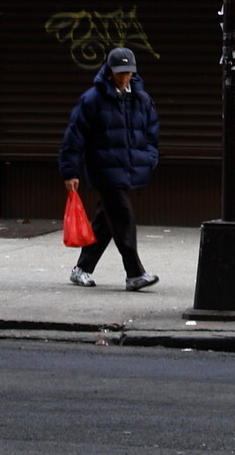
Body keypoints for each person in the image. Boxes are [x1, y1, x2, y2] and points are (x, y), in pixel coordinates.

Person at [58, 46, 161, 290]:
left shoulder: (141, 99)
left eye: (128, 72)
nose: (124, 77)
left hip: (127, 167)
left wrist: (148, 158)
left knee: (106, 221)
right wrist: (70, 171)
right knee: (123, 217)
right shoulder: (92, 99)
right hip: (103, 169)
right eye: (120, 72)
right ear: (109, 72)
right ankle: (135, 273)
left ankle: (82, 268)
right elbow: (74, 136)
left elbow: (151, 132)